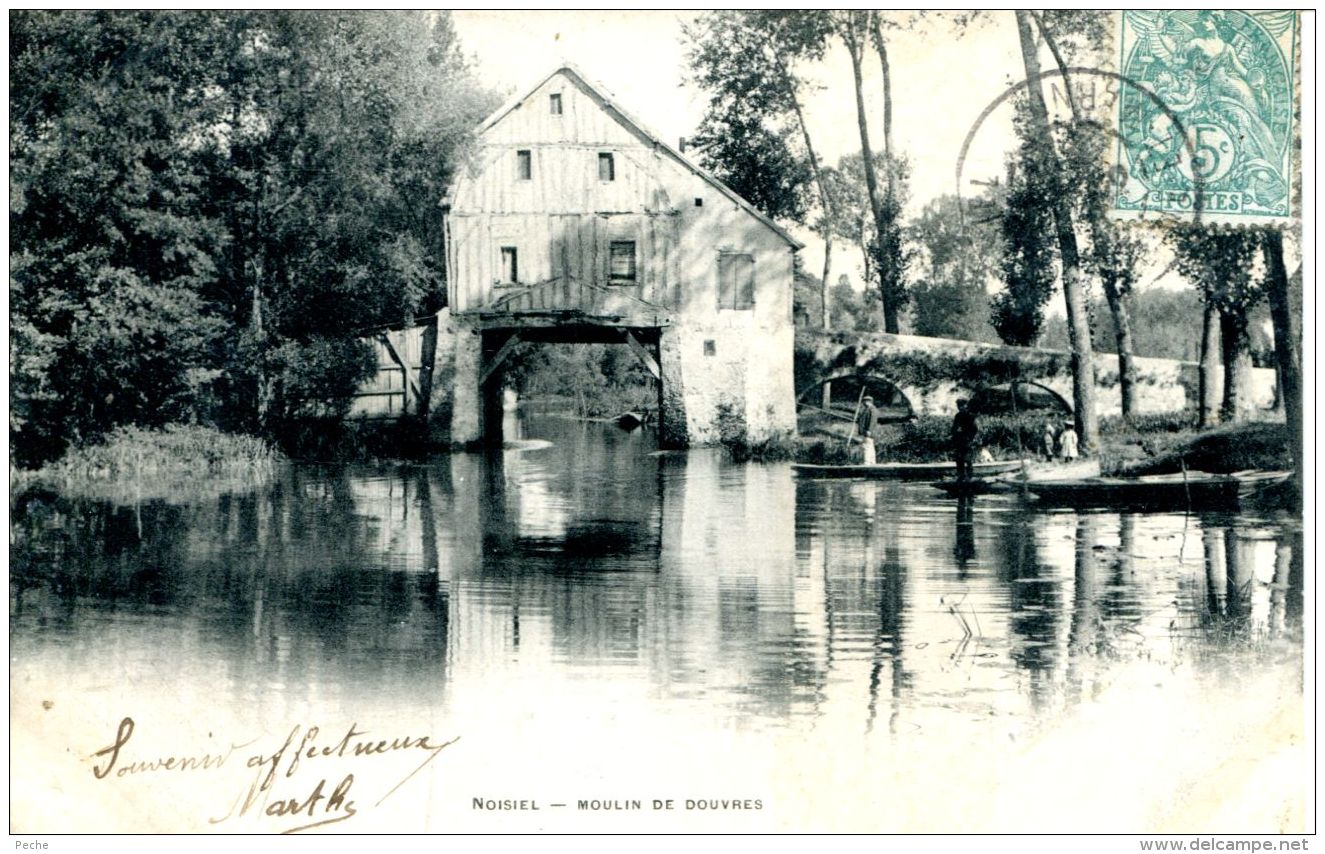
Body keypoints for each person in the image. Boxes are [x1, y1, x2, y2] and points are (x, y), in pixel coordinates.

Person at [951, 399, 979, 482]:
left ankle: (969, 476)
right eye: (959, 406)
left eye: (962, 406)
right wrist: (954, 433)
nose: (961, 408)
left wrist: (970, 438)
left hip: (967, 439)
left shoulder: (970, 416)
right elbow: (954, 427)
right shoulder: (958, 415)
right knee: (959, 458)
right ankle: (961, 476)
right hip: (959, 439)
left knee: (967, 458)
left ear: (966, 406)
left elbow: (975, 429)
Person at [856, 395, 878, 465]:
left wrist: (869, 430)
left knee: (866, 446)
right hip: (866, 431)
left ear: (869, 402)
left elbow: (872, 421)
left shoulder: (872, 410)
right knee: (870, 446)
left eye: (865, 401)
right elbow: (862, 419)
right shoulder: (867, 409)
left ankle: (867, 461)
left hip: (868, 431)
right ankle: (872, 461)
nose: (863, 403)